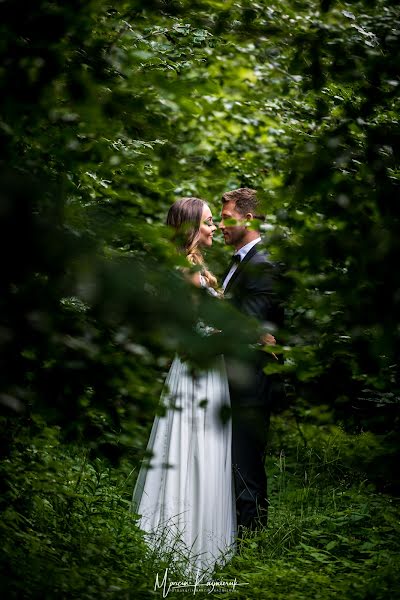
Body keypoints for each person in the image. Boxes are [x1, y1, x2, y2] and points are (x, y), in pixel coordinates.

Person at [132, 197, 236, 576]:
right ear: (191, 227)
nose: (213, 228)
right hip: (200, 367)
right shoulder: (189, 271)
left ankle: (186, 539)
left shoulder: (192, 266)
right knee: (195, 446)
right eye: (209, 222)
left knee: (197, 445)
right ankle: (188, 545)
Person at [219, 187, 284, 534]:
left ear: (249, 217)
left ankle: (251, 545)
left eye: (227, 218)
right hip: (228, 379)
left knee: (246, 468)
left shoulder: (261, 265)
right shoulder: (239, 262)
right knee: (231, 466)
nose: (220, 225)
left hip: (249, 385)